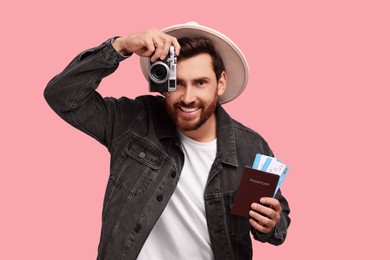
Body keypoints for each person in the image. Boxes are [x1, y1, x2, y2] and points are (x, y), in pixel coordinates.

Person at [44, 22, 291, 260]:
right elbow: (62, 96)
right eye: (178, 83)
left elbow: (278, 225)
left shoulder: (251, 147)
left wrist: (271, 223)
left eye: (201, 82)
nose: (188, 97)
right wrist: (120, 46)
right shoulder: (132, 121)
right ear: (162, 83)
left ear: (221, 83)